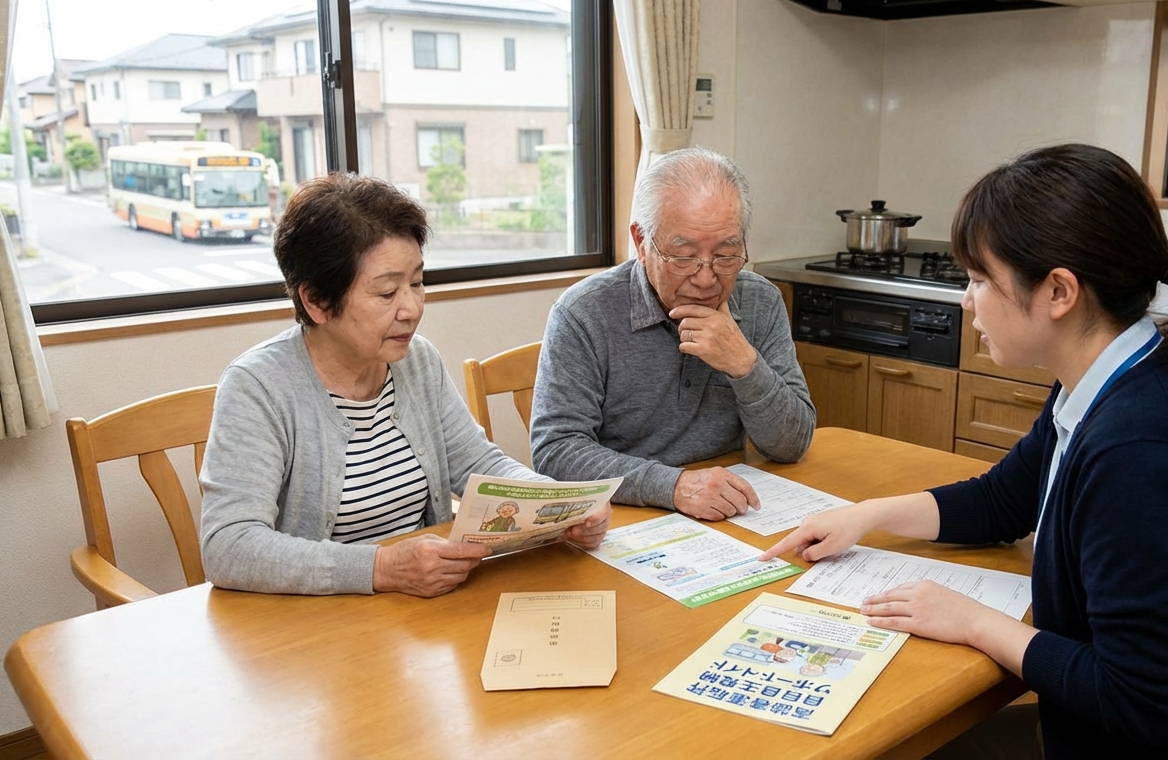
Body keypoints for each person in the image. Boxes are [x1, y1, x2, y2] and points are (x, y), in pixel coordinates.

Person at [762, 144, 1168, 758]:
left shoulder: (1142, 448)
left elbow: (1138, 699)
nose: (966, 302)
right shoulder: (1105, 376)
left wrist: (973, 620)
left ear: (1059, 292)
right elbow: (1006, 499)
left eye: (977, 280)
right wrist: (868, 515)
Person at [199, 172, 610, 598]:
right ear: (317, 301)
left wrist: (560, 505)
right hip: (317, 624)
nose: (411, 309)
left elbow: (478, 465)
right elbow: (229, 547)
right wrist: (381, 568)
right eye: (386, 293)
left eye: (416, 283)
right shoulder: (259, 386)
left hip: (418, 613)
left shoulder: (417, 360)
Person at [529, 147, 815, 521]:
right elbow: (556, 451)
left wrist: (744, 365)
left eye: (726, 255)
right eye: (683, 256)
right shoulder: (584, 312)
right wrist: (674, 486)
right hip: (623, 516)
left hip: (727, 510)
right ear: (641, 242)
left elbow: (791, 445)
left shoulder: (760, 300)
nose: (706, 277)